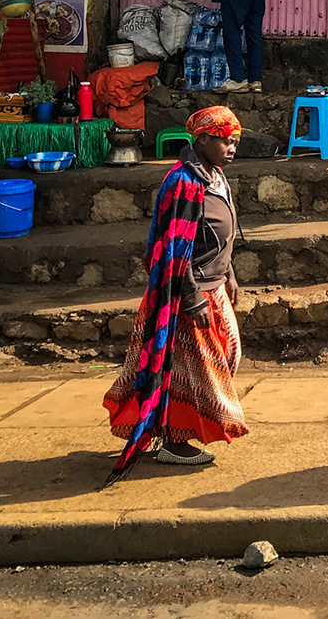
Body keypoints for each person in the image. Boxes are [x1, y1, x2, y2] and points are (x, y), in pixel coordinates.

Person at [103, 106, 248, 484]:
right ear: (202, 139)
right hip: (186, 293)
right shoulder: (183, 183)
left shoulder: (215, 175)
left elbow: (220, 235)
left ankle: (180, 431)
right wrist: (192, 298)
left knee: (227, 355)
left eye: (235, 142)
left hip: (215, 286)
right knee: (190, 372)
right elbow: (171, 249)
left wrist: (229, 274)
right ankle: (174, 441)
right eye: (225, 141)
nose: (232, 148)